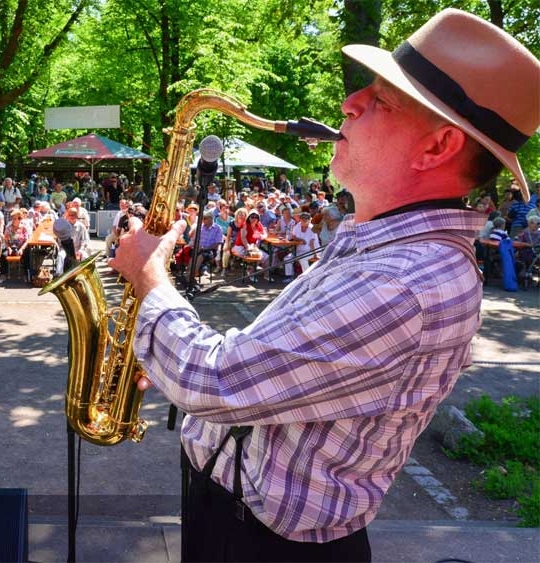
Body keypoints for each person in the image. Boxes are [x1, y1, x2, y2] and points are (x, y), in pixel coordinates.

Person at [108, 9, 538, 562]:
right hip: (234, 512)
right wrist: (166, 348)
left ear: (437, 148)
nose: (349, 104)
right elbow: (275, 359)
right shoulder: (385, 245)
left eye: (381, 100)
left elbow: (215, 382)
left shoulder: (405, 283)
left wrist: (149, 278)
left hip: (262, 545)